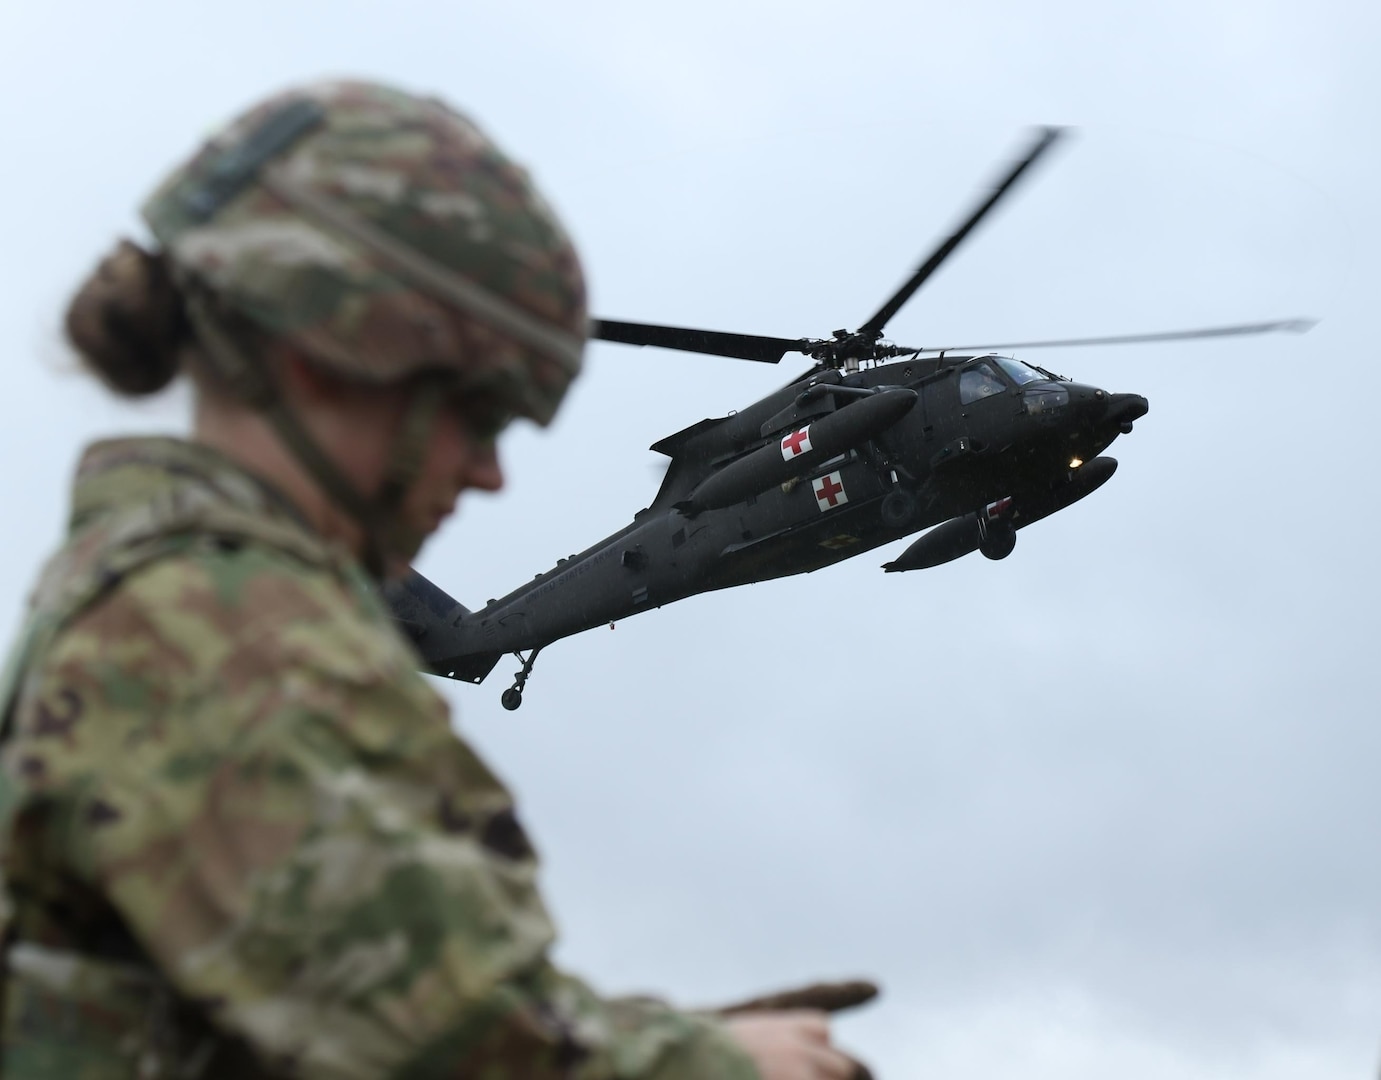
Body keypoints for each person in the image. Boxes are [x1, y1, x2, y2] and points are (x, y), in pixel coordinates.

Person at [0, 80, 873, 1078]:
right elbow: (435, 1044)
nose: (489, 472)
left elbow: (328, 1005)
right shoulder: (220, 630)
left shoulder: (159, 597)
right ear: (335, 357)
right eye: (479, 411)